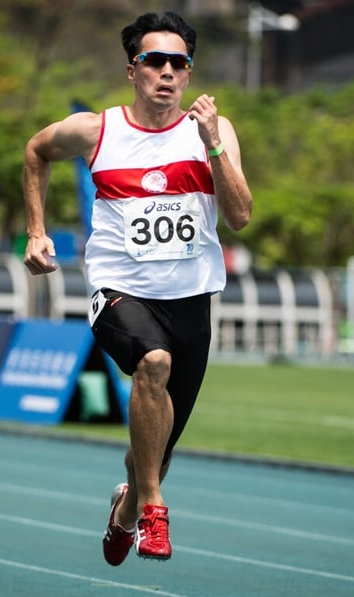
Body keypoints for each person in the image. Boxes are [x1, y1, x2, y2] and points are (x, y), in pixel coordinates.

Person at [21, 12, 252, 564]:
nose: (167, 72)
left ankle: (128, 504)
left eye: (179, 62)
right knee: (152, 363)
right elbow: (35, 151)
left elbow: (240, 216)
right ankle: (153, 511)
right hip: (119, 289)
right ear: (133, 70)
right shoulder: (96, 130)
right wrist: (35, 231)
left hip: (191, 300)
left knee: (156, 448)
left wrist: (213, 143)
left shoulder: (213, 134)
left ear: (189, 72)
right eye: (155, 61)